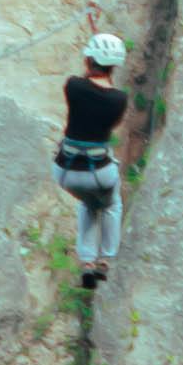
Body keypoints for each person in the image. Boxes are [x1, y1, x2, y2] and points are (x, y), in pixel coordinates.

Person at [53, 30, 131, 278]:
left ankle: (86, 261)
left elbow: (85, 84)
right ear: (114, 66)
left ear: (89, 60)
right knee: (110, 205)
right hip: (99, 172)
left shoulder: (73, 86)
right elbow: (112, 123)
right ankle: (105, 258)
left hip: (66, 172)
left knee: (88, 204)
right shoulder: (119, 100)